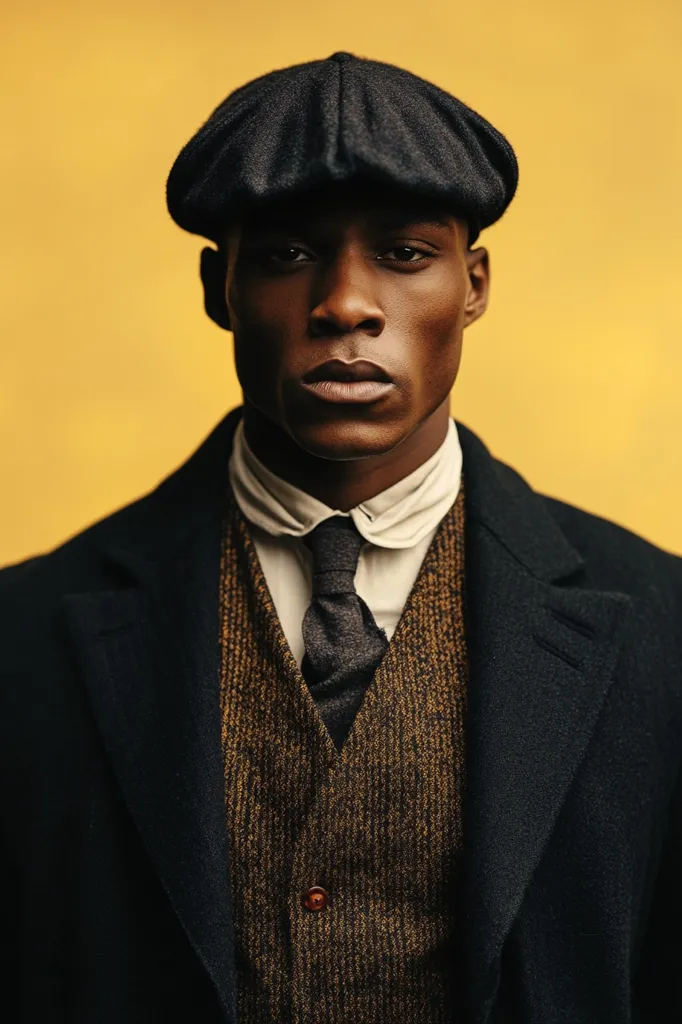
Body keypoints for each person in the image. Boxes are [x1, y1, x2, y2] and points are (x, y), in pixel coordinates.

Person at [0, 51, 680, 1024]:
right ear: (215, 286)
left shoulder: (661, 629)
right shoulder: (25, 640)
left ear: (474, 282)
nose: (346, 304)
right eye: (284, 253)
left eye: (405, 253)